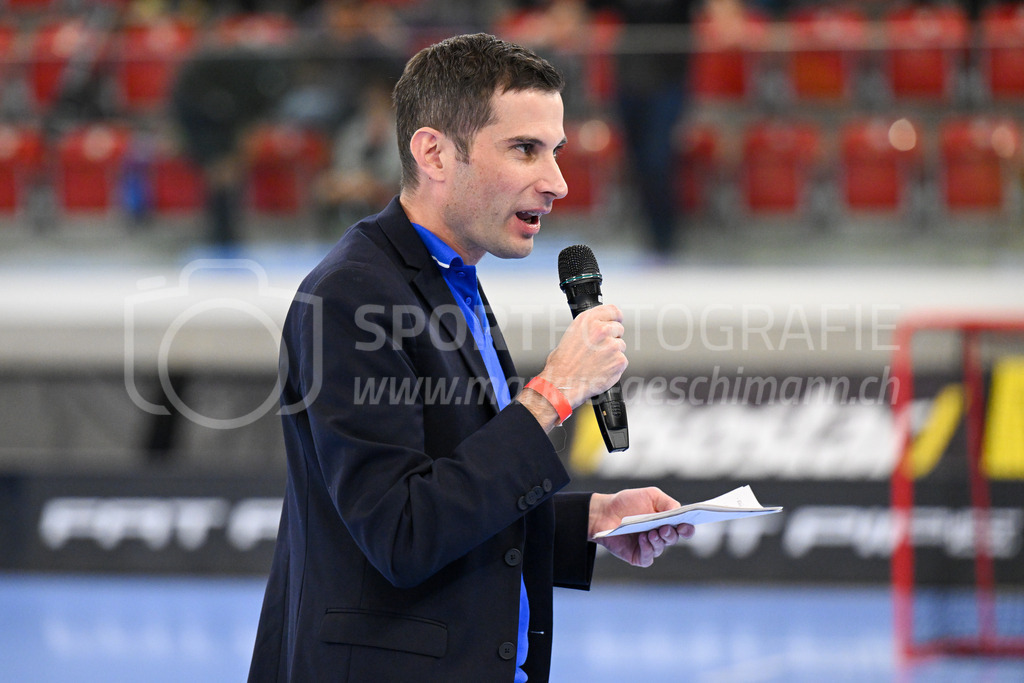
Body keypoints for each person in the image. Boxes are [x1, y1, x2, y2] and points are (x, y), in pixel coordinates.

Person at [249, 33, 694, 682]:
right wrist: (552, 393)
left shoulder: (453, 279)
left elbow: (452, 485)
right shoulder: (350, 295)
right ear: (433, 152)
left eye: (557, 151)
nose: (558, 182)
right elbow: (402, 532)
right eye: (525, 150)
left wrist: (588, 521)